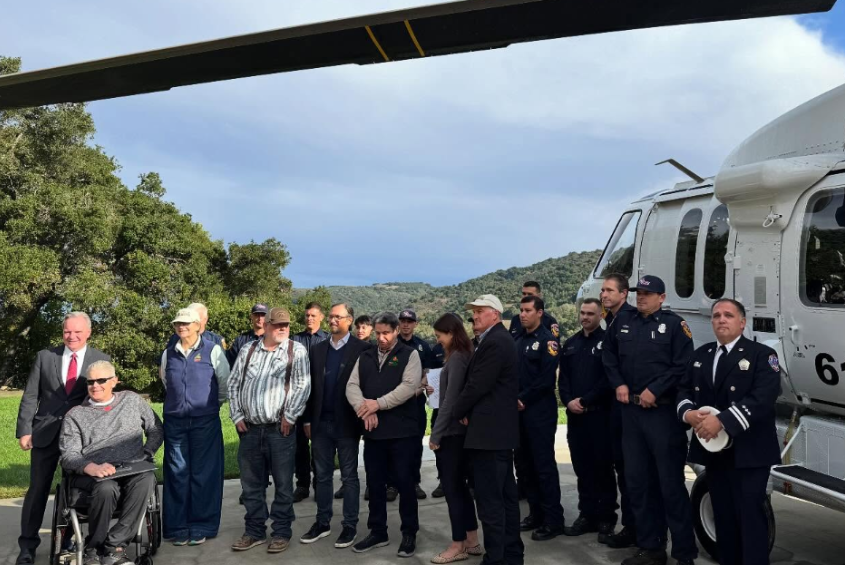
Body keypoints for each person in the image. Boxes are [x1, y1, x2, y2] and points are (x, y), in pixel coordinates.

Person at [677, 299, 781, 565]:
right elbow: (684, 390)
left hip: (750, 452)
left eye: (728, 315)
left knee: (750, 516)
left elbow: (763, 397)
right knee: (723, 517)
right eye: (716, 315)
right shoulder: (701, 355)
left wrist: (722, 421)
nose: (721, 319)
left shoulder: (762, 355)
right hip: (715, 451)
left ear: (742, 323)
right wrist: (688, 413)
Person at [602, 275, 697, 565]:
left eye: (648, 293)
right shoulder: (623, 321)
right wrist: (618, 383)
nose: (641, 297)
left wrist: (655, 389)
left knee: (670, 485)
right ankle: (650, 547)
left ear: (662, 297)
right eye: (638, 293)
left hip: (662, 415)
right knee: (638, 483)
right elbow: (608, 355)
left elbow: (683, 366)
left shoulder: (675, 325)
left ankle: (684, 552)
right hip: (631, 415)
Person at [15, 312, 111, 565]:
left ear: (88, 332)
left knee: (74, 491)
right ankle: (27, 546)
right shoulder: (45, 357)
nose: (72, 336)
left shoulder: (100, 359)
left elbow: (104, 398)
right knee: (37, 490)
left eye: (78, 332)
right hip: (45, 433)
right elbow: (31, 395)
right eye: (68, 331)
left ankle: (67, 541)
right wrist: (24, 430)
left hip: (80, 437)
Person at [59, 360, 163, 565]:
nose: (95, 386)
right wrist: (91, 467)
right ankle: (93, 548)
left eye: (101, 380)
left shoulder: (131, 400)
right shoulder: (75, 415)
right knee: (106, 488)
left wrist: (147, 452)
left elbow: (155, 428)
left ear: (114, 381)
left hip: (131, 467)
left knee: (147, 479)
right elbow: (68, 455)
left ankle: (115, 547)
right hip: (93, 474)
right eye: (90, 382)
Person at [228, 307, 311, 554]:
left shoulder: (296, 350)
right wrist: (237, 415)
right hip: (250, 430)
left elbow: (302, 386)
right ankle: (254, 531)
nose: (283, 328)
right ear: (266, 326)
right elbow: (233, 384)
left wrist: (290, 416)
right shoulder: (248, 350)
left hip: (280, 430)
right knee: (251, 485)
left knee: (284, 485)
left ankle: (281, 532)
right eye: (277, 325)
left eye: (286, 325)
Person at [453, 295, 524, 565]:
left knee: (491, 503)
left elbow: (478, 385)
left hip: (489, 436)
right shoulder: (496, 340)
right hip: (496, 435)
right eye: (474, 312)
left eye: (480, 311)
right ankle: (511, 556)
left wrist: (458, 411)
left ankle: (496, 558)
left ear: (495, 314)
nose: (475, 316)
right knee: (504, 499)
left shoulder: (495, 342)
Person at [346, 312, 422, 558]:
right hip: (374, 432)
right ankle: (378, 531)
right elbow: (352, 386)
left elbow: (409, 387)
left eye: (386, 333)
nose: (381, 338)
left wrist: (378, 404)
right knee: (375, 484)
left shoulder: (410, 354)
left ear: (396, 331)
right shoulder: (366, 355)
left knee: (405, 484)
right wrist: (364, 409)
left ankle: (409, 533)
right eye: (378, 333)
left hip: (402, 433)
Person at [299, 303, 372, 549]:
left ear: (349, 320)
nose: (331, 320)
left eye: (337, 317)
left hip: (348, 424)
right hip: (321, 424)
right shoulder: (318, 350)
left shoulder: (363, 349)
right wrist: (307, 419)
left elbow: (368, 386)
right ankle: (322, 523)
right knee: (322, 476)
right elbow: (309, 388)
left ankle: (350, 525)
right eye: (330, 317)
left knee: (349, 477)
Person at [159, 308, 230, 546]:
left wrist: (210, 405)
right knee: (176, 473)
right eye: (178, 323)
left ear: (198, 326)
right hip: (175, 422)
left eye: (187, 323)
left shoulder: (213, 350)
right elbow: (167, 382)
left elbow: (224, 383)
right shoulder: (168, 353)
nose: (182, 327)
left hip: (204, 421)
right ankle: (178, 527)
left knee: (204, 474)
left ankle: (202, 526)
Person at [559, 298, 617, 539]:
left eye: (590, 313)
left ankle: (606, 517)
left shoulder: (607, 343)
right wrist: (568, 401)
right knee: (582, 467)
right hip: (576, 418)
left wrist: (585, 400)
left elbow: (608, 379)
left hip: (599, 416)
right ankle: (587, 514)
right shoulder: (571, 344)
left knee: (602, 467)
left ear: (601, 315)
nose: (585, 317)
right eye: (582, 313)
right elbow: (563, 379)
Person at [429, 313, 481, 563]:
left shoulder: (459, 357)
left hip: (452, 433)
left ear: (451, 333)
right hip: (455, 432)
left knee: (453, 489)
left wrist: (436, 434)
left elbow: (450, 402)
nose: (438, 340)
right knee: (459, 488)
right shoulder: (458, 355)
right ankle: (471, 540)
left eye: (440, 336)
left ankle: (457, 544)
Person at [514, 296, 565, 541]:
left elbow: (546, 380)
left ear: (540, 313)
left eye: (527, 310)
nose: (523, 314)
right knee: (525, 466)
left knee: (543, 466)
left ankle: (553, 520)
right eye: (521, 310)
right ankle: (535, 514)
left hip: (539, 412)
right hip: (518, 413)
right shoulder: (518, 341)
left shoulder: (548, 342)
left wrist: (522, 399)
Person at [598, 273, 639, 548]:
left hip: (629, 407)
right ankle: (631, 525)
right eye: (603, 290)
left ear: (624, 293)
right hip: (615, 407)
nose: (604, 295)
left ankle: (634, 529)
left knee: (630, 471)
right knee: (622, 469)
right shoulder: (611, 320)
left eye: (610, 290)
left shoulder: (630, 319)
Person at [292, 301, 329, 502]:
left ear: (321, 317)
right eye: (307, 315)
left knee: (319, 447)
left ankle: (319, 485)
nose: (309, 318)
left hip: (320, 400)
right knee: (300, 446)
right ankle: (302, 485)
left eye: (313, 315)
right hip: (299, 400)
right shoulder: (295, 339)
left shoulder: (328, 339)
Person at [398, 308, 434, 499]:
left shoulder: (422, 346)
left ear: (415, 324)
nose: (406, 325)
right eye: (403, 321)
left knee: (415, 445)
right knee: (394, 445)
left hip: (415, 403)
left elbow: (427, 372)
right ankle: (393, 484)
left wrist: (418, 389)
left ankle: (414, 482)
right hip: (394, 404)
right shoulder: (392, 343)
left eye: (409, 322)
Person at [226, 303, 268, 368]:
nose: (260, 318)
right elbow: (231, 364)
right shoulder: (240, 340)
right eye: (257, 315)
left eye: (263, 315)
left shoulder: (273, 339)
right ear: (251, 316)